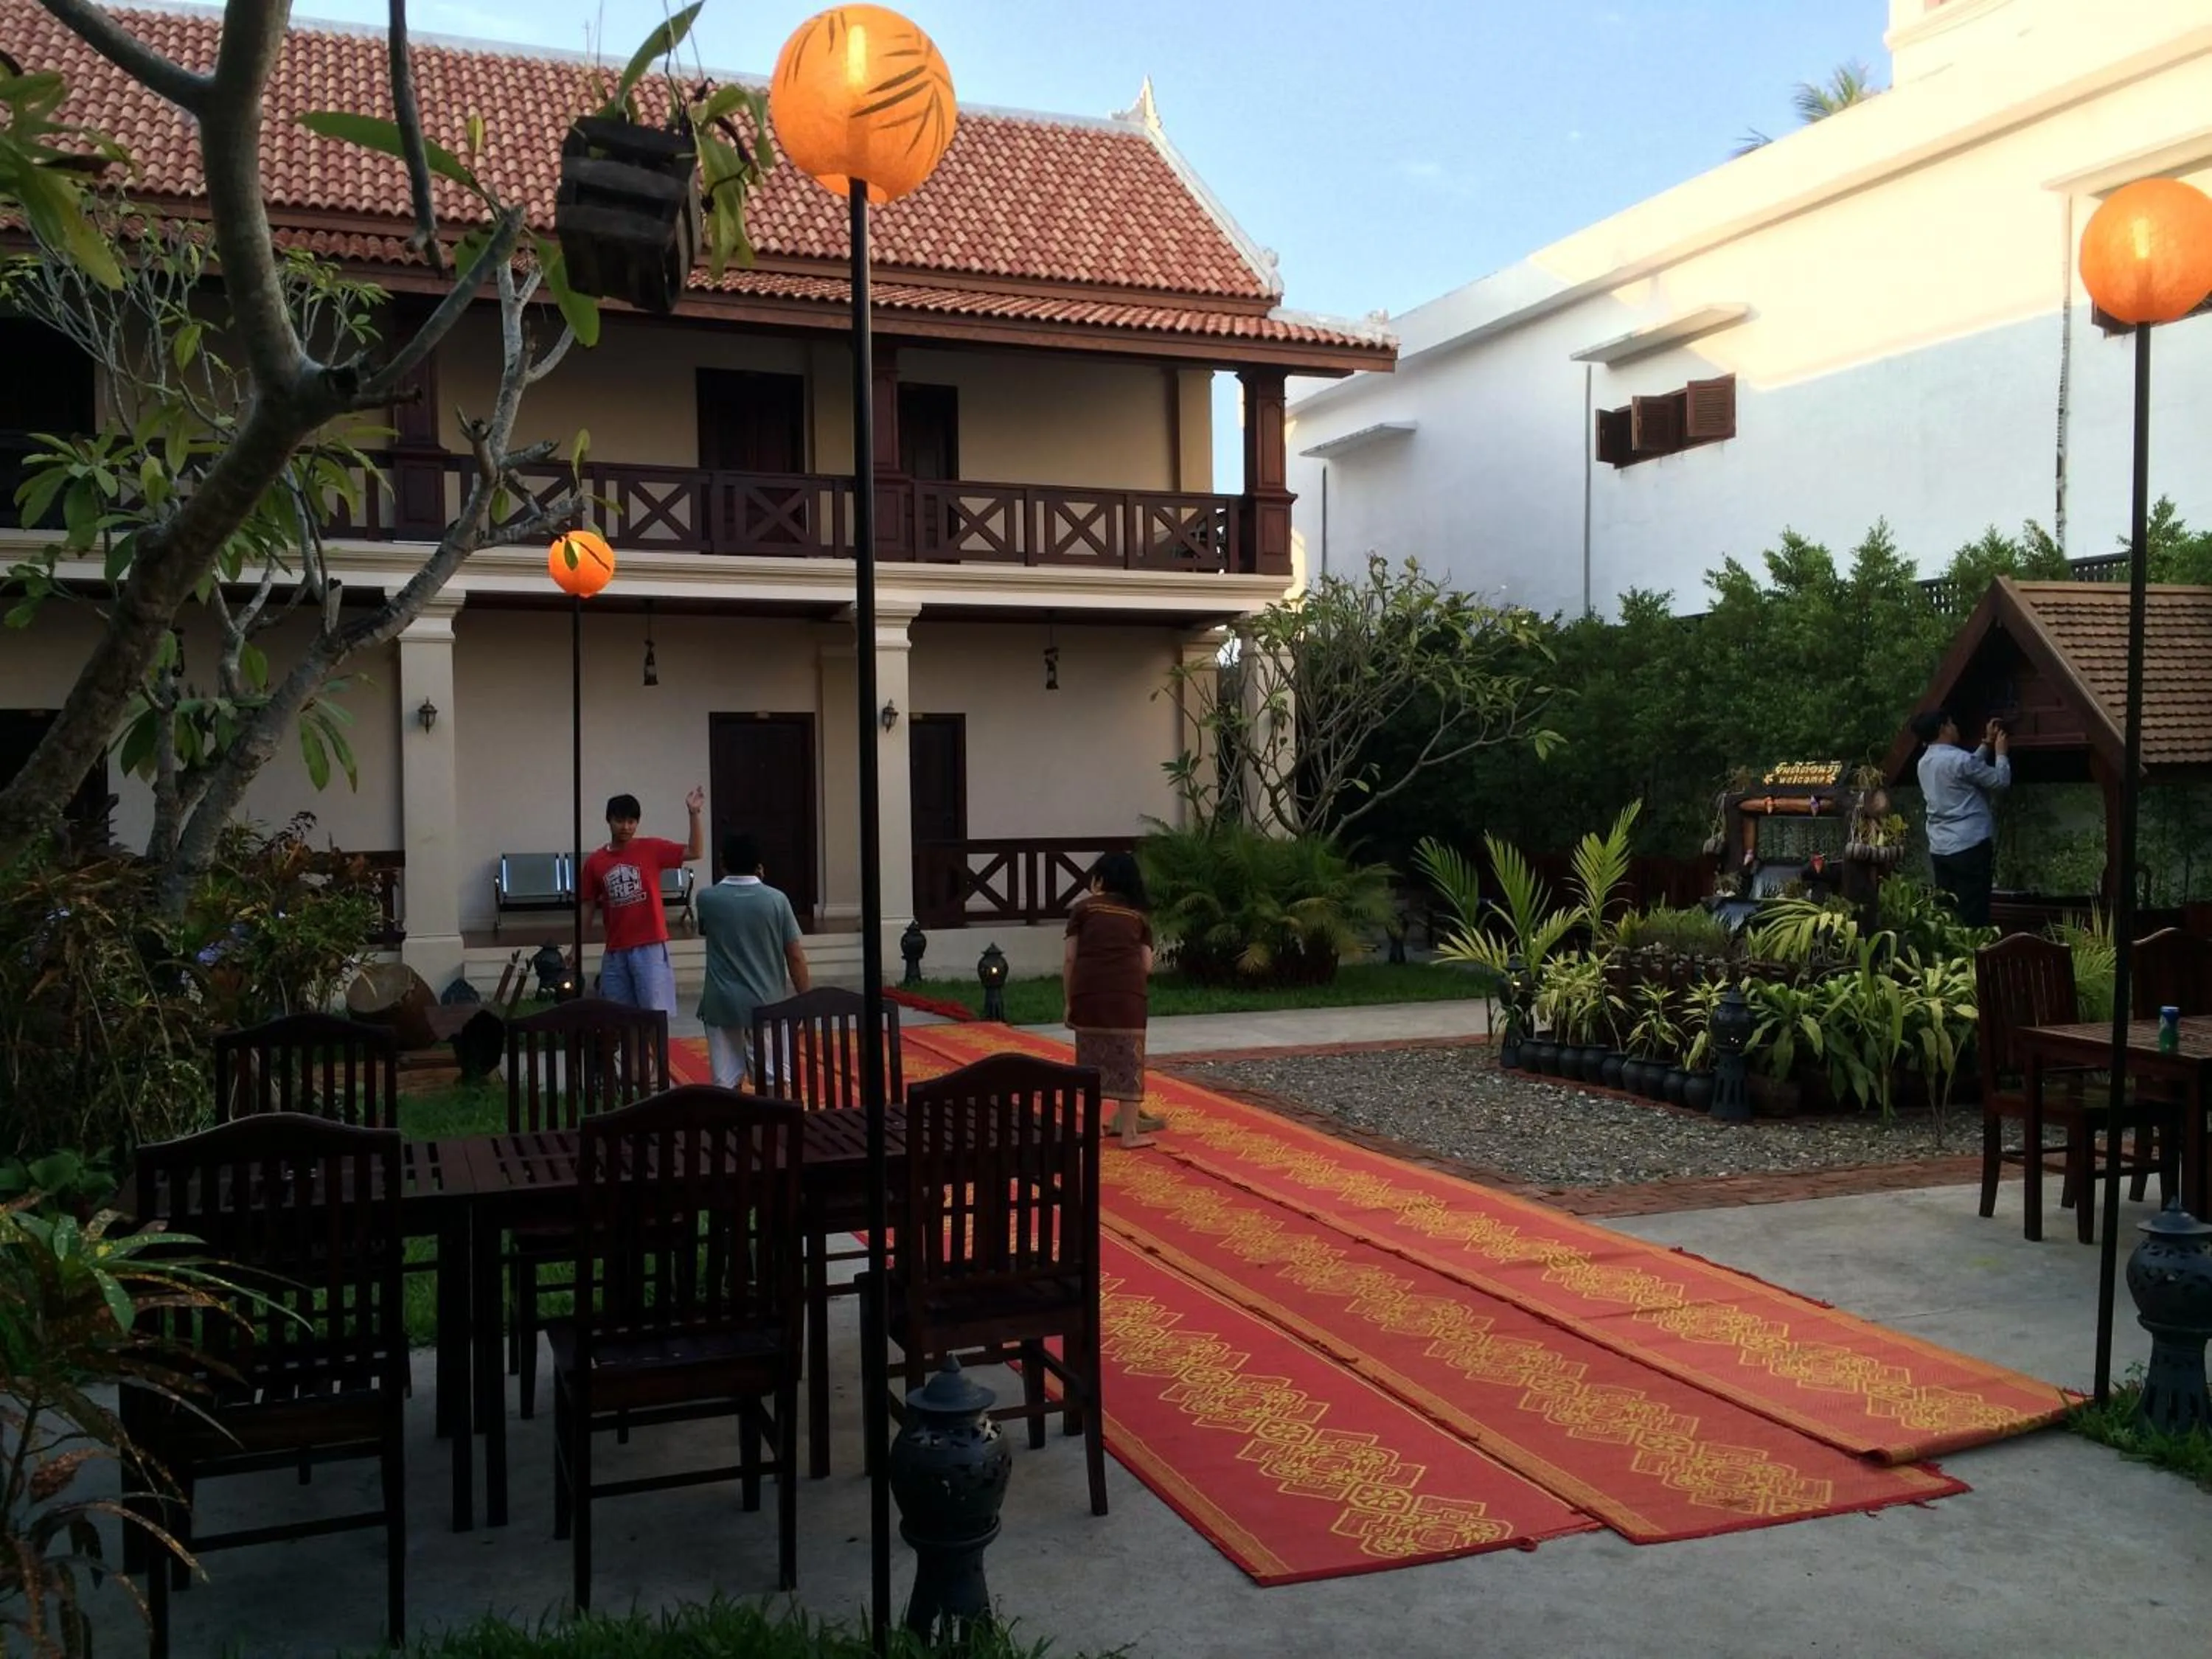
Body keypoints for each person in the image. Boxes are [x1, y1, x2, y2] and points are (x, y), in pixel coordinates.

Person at [696, 830, 810, 1089]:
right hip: (768, 1001)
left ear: (722, 862)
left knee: (725, 1083)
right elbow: (794, 956)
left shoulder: (706, 899)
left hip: (721, 1003)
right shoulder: (777, 900)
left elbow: (706, 930)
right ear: (759, 865)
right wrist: (805, 1000)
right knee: (774, 1080)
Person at [1064, 851, 1163, 1150]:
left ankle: (1092, 1128)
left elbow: (1070, 959)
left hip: (1089, 994)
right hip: (1128, 996)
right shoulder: (1138, 916)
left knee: (1091, 1059)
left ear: (1101, 879)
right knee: (1129, 1060)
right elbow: (1147, 965)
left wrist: (1069, 1001)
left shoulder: (1083, 910)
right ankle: (1130, 1133)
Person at [578, 786, 703, 1016]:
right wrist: (576, 945)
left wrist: (693, 814)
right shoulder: (595, 862)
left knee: (654, 1015)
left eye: (631, 821)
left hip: (650, 947)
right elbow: (587, 904)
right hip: (615, 949)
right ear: (608, 820)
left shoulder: (651, 848)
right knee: (620, 1018)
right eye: (620, 821)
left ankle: (657, 1044)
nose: (626, 827)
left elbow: (695, 852)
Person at [1913, 709, 2010, 928]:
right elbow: (2000, 781)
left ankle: (1949, 949)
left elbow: (1965, 769)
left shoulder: (1924, 763)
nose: (1955, 727)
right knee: (1973, 912)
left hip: (1940, 848)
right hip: (1970, 845)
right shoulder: (1960, 760)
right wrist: (2001, 753)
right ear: (1943, 728)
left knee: (1948, 912)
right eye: (1951, 723)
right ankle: (1974, 948)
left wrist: (1986, 743)